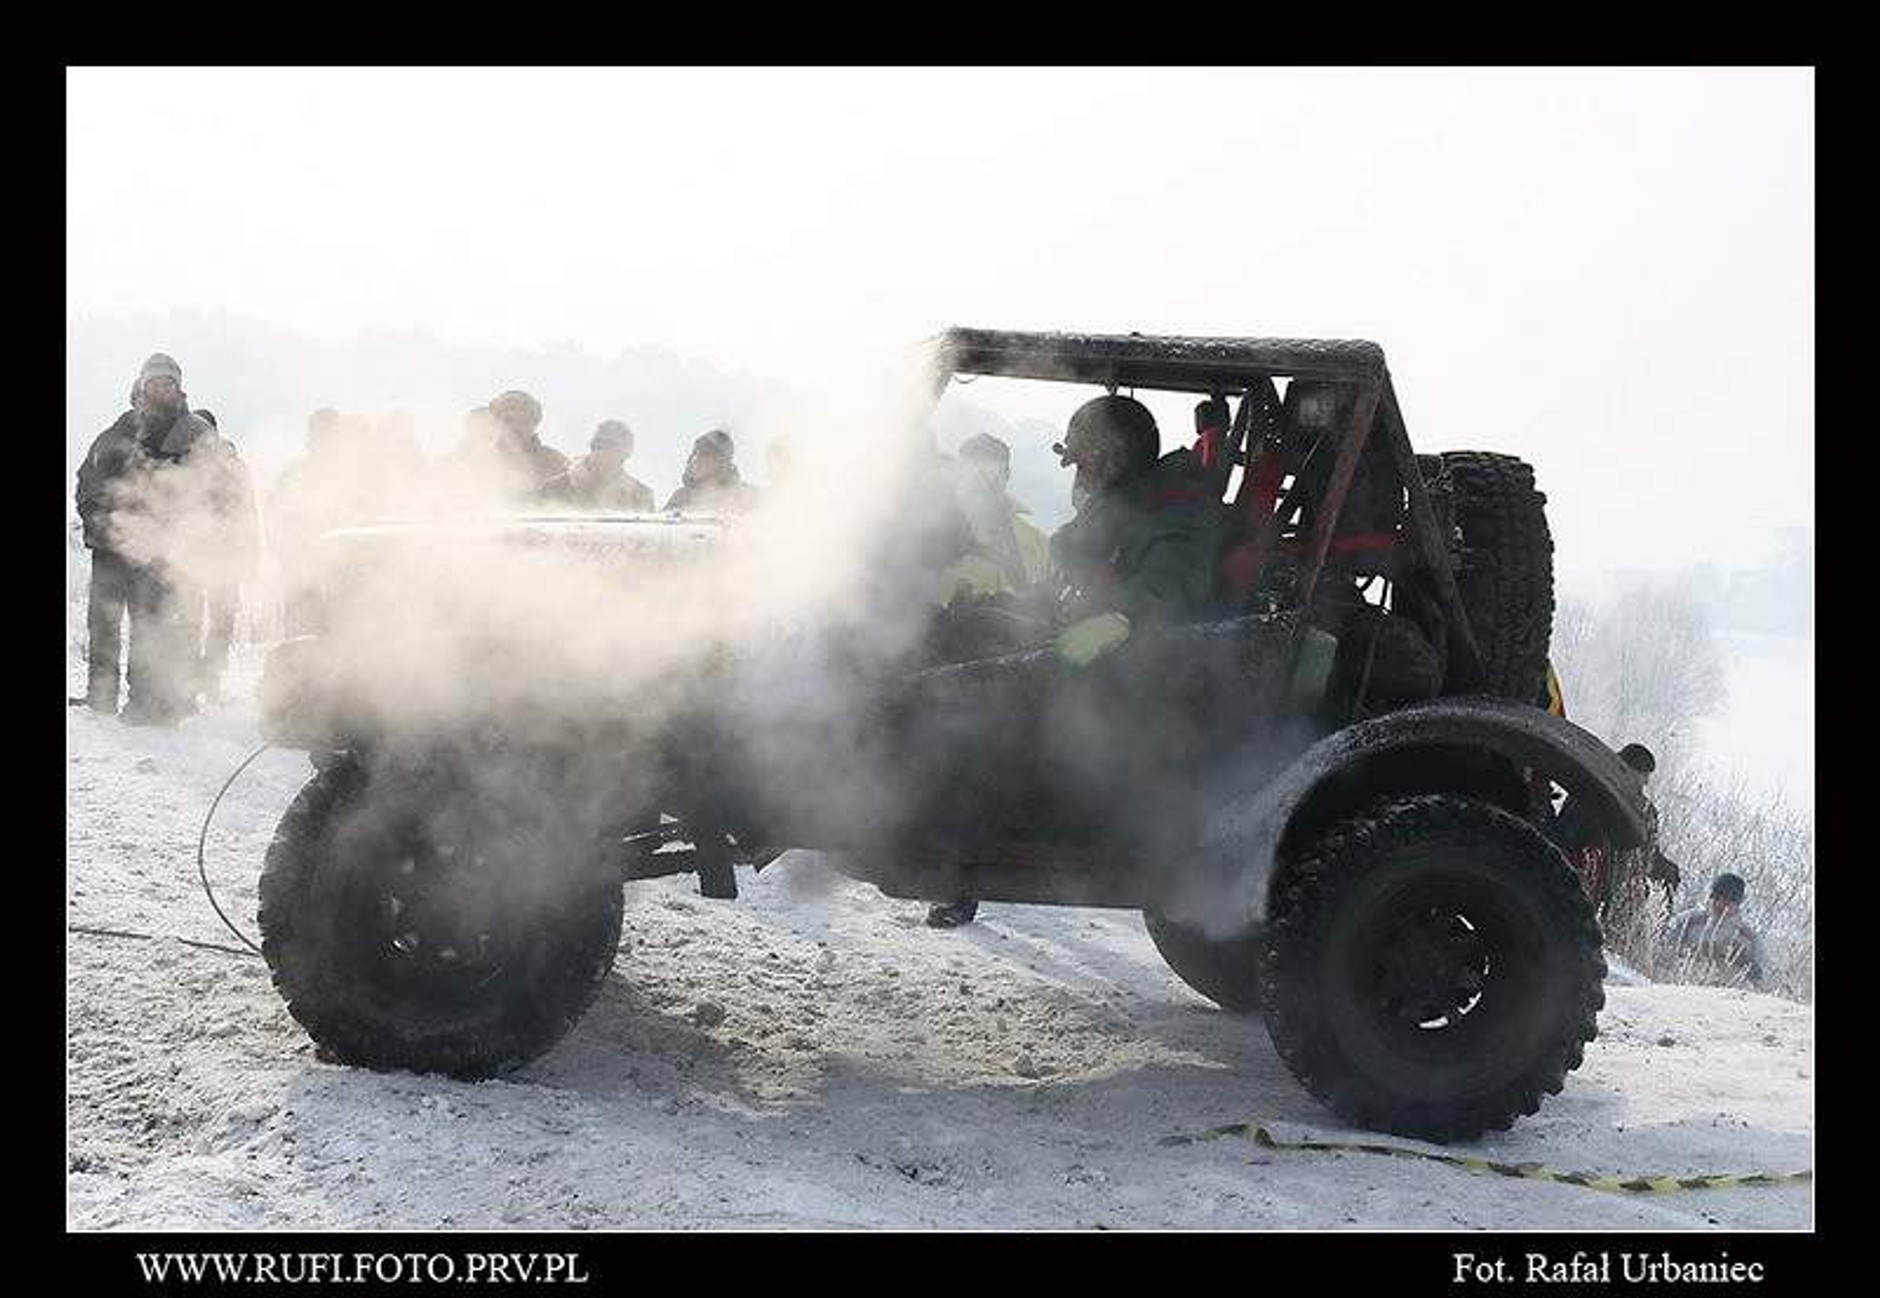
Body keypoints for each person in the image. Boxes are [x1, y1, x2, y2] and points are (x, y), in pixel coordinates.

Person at [925, 397, 1223, 928]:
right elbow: (1072, 571)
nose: (1078, 472)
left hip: (1146, 670)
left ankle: (977, 832)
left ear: (1114, 458)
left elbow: (1166, 591)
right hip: (1095, 643)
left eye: (1084, 460)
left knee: (996, 700)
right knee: (962, 633)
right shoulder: (1127, 499)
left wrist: (1117, 622)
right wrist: (1006, 606)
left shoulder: (1177, 508)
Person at [72, 353, 229, 724]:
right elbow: (87, 481)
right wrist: (100, 521)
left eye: (168, 382)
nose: (160, 389)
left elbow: (215, 490)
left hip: (163, 551)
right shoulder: (118, 430)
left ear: (179, 388)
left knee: (152, 623)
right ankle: (101, 695)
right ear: (141, 386)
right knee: (104, 622)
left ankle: (147, 700)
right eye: (154, 382)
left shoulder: (195, 433)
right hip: (111, 546)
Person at [1550, 741, 1680, 915]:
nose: (1645, 782)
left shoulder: (1645, 811)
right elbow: (1564, 841)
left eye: (1645, 776)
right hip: (1582, 887)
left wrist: (1667, 872)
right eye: (1642, 775)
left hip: (1617, 896)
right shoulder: (1587, 796)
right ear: (1624, 771)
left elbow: (1648, 857)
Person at [188, 409, 260, 706]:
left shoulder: (234, 467)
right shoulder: (185, 465)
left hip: (226, 555)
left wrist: (250, 555)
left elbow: (248, 513)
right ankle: (190, 676)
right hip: (192, 555)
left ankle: (211, 676)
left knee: (221, 621)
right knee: (189, 617)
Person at [1663, 873, 1770, 988]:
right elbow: (1663, 954)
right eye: (1716, 897)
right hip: (1680, 991)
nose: (1719, 904)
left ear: (1737, 904)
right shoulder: (1688, 921)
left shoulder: (1749, 939)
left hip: (1725, 999)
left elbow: (1760, 983)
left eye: (1726, 901)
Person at [541, 419, 656, 512]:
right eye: (597, 444)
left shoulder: (641, 496)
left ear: (627, 452)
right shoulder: (555, 488)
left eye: (610, 445)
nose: (601, 451)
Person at [664, 428, 762, 515]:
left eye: (705, 454)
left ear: (722, 460)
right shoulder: (681, 497)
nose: (698, 459)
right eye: (696, 453)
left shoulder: (745, 496)